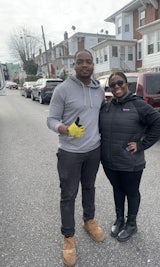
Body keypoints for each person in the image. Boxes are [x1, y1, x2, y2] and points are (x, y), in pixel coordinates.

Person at [47, 49, 105, 266]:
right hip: (70, 153)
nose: (84, 65)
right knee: (68, 194)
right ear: (74, 65)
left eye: (88, 62)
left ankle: (88, 221)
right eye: (80, 62)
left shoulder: (98, 89)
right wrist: (64, 128)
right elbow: (51, 119)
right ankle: (68, 237)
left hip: (93, 150)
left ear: (93, 64)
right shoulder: (63, 89)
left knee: (89, 187)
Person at [99, 72, 160, 242]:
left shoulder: (138, 104)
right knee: (117, 189)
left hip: (130, 162)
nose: (116, 87)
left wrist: (142, 145)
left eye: (119, 82)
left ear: (126, 83)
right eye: (112, 85)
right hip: (109, 161)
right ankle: (119, 219)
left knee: (131, 191)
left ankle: (131, 224)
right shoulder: (107, 106)